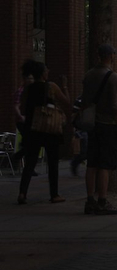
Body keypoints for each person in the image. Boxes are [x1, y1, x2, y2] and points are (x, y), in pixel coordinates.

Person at [82, 44, 117, 215]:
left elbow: (85, 101)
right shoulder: (112, 76)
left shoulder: (88, 74)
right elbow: (115, 107)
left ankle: (89, 200)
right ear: (110, 56)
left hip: (92, 125)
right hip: (107, 125)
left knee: (91, 163)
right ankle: (102, 200)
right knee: (105, 165)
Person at [17, 60, 71, 204]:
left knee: (30, 162)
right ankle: (54, 194)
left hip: (33, 128)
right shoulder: (51, 86)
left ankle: (22, 193)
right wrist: (65, 86)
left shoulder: (29, 88)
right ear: (42, 73)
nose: (48, 72)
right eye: (46, 70)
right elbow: (67, 102)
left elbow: (23, 107)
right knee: (53, 162)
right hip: (50, 129)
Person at [12, 62, 38, 174]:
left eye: (32, 78)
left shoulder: (33, 91)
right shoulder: (21, 91)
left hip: (31, 121)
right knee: (30, 144)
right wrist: (21, 116)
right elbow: (16, 106)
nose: (31, 80)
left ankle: (28, 166)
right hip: (22, 121)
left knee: (30, 144)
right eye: (29, 78)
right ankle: (19, 158)